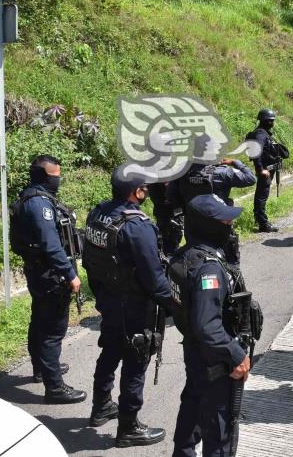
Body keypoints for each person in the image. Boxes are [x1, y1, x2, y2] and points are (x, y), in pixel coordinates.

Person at [83, 165, 172, 447]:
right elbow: (154, 276)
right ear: (137, 191)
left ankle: (101, 407)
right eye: (144, 187)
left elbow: (89, 261)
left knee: (109, 351)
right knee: (136, 359)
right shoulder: (137, 225)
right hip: (133, 304)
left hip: (108, 299)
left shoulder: (97, 214)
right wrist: (174, 304)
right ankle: (129, 426)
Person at [172, 194, 253, 457]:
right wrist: (237, 355)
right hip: (216, 360)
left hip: (195, 352)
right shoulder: (209, 270)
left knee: (193, 408)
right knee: (220, 432)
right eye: (225, 221)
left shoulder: (184, 256)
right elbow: (208, 325)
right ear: (209, 226)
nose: (230, 226)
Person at [11, 155, 85, 403]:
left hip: (39, 271)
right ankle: (55, 388)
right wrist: (70, 274)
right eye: (56, 176)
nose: (59, 180)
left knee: (39, 321)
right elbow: (52, 245)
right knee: (52, 330)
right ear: (45, 177)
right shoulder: (39, 204)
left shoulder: (28, 196)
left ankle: (42, 369)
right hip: (50, 274)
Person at [168, 158, 256, 268]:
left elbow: (171, 195)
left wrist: (186, 208)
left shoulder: (181, 172)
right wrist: (236, 162)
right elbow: (251, 178)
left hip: (192, 225)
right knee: (230, 264)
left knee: (195, 261)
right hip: (220, 225)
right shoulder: (222, 172)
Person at [247, 109, 288, 233]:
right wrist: (260, 170)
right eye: (270, 121)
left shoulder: (264, 133)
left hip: (269, 169)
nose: (272, 123)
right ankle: (263, 224)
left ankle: (259, 219)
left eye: (272, 121)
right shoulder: (260, 134)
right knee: (261, 197)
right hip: (265, 170)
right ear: (265, 121)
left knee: (262, 195)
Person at [147, 183, 183, 256]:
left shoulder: (172, 180)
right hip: (164, 215)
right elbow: (158, 199)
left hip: (173, 214)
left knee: (173, 237)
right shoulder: (156, 182)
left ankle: (170, 253)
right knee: (165, 239)